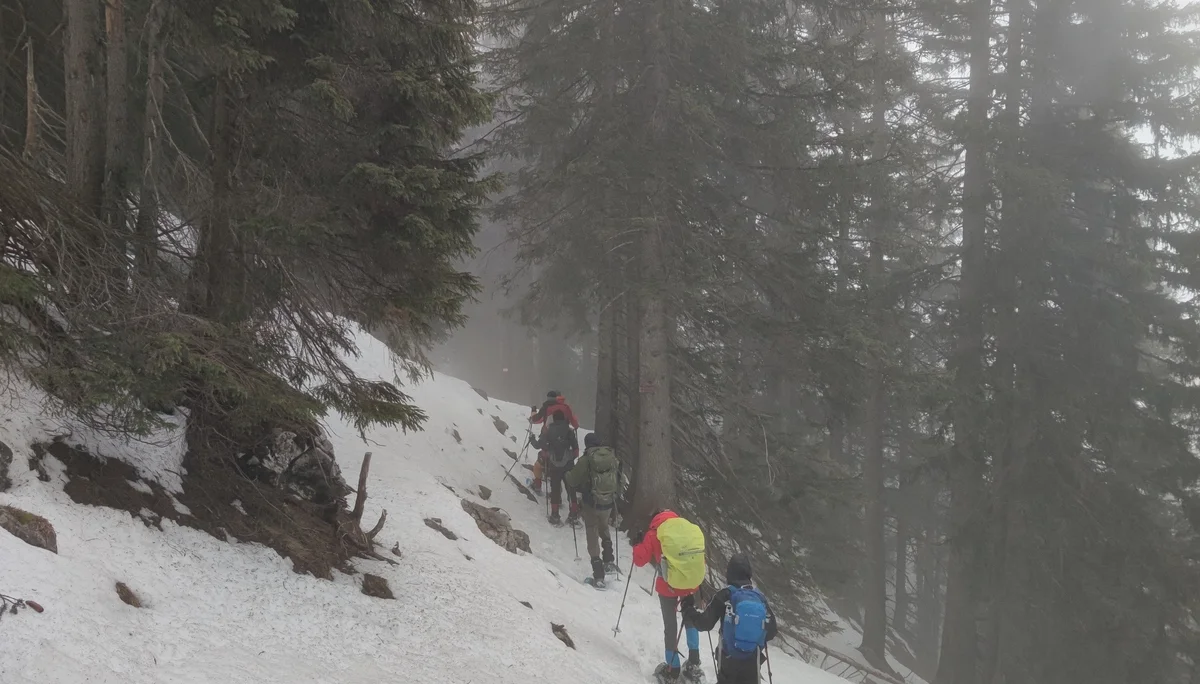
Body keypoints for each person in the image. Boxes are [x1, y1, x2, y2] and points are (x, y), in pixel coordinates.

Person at [633, 509, 707, 682]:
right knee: (690, 619)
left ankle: (672, 669)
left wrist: (637, 544)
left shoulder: (654, 533)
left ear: (654, 520)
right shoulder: (685, 527)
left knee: (671, 626)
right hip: (691, 583)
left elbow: (639, 560)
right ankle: (694, 663)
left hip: (669, 587)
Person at [683, 555, 777, 684]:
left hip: (729, 657)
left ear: (730, 573)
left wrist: (689, 610)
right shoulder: (759, 598)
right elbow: (772, 630)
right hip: (752, 660)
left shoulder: (725, 595)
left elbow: (704, 623)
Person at [566, 433, 619, 587]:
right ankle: (609, 561)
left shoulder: (586, 460)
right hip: (608, 502)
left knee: (592, 533)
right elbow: (620, 478)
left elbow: (573, 479)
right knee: (604, 528)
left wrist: (568, 473)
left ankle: (599, 576)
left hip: (591, 504)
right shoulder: (611, 458)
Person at [531, 412, 579, 525]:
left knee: (555, 489)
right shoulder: (569, 431)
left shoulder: (548, 431)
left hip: (554, 465)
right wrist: (570, 457)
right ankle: (573, 515)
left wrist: (532, 439)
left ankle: (555, 515)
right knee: (570, 490)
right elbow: (576, 450)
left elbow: (540, 445)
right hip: (568, 465)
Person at [529, 391, 579, 495]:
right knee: (559, 467)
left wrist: (533, 413)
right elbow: (574, 422)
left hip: (548, 437)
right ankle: (558, 492)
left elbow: (537, 419)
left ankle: (538, 485)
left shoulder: (547, 407)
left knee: (540, 463)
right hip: (565, 440)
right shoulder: (566, 407)